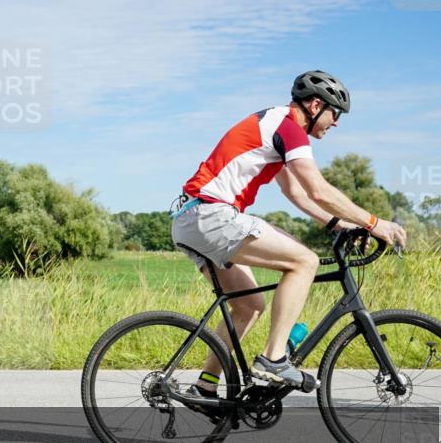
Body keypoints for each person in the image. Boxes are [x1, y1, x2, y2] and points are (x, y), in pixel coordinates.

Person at [171, 70, 407, 405]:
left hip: (191, 218)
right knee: (304, 261)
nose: (336, 122)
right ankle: (273, 359)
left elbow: (296, 191)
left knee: (249, 306)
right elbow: (318, 189)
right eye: (334, 114)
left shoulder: (274, 125)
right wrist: (374, 223)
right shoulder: (289, 129)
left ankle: (206, 385)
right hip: (212, 214)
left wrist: (337, 224)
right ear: (315, 105)